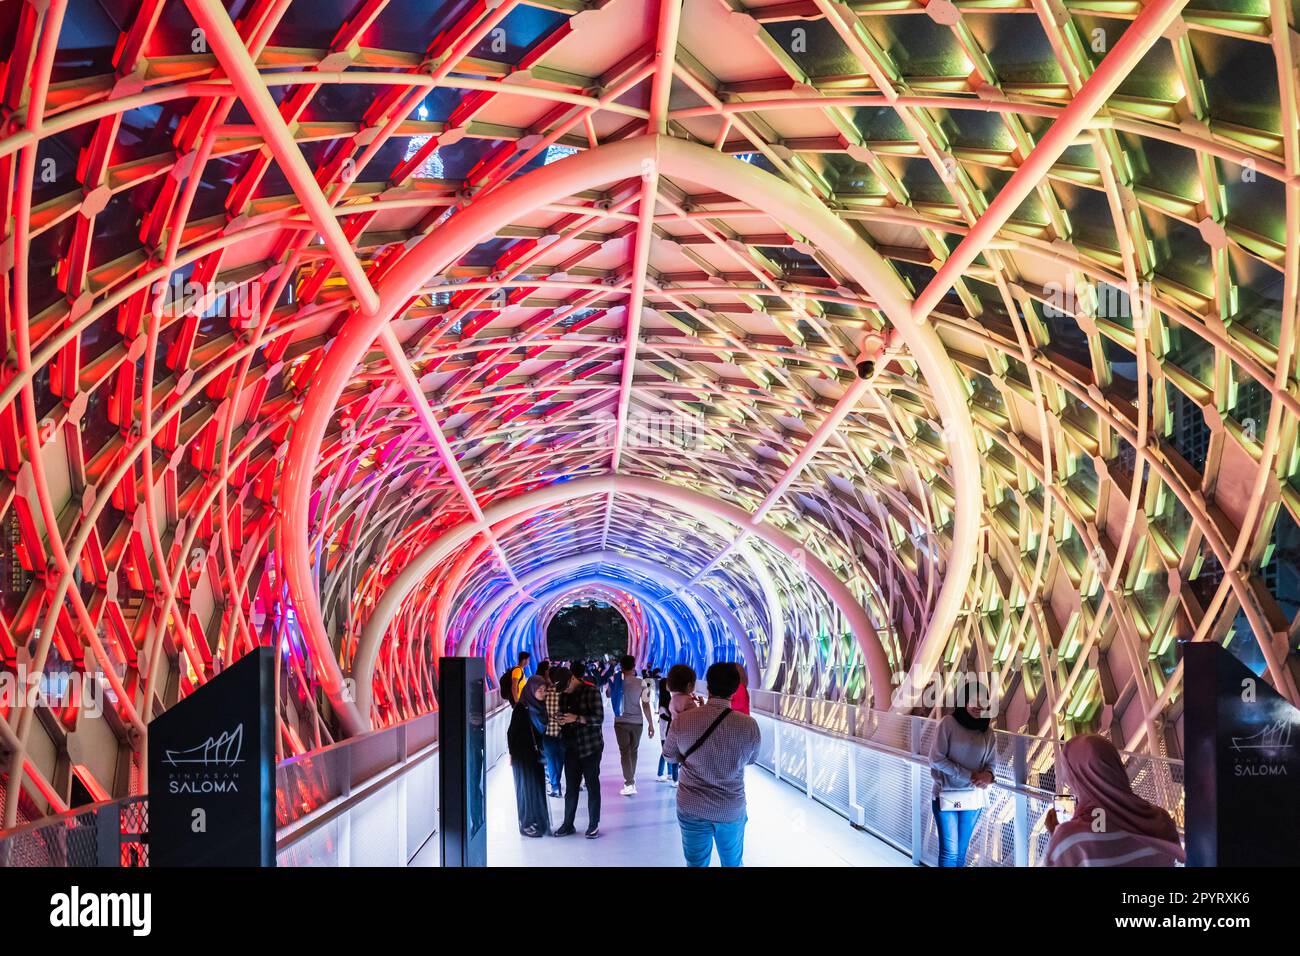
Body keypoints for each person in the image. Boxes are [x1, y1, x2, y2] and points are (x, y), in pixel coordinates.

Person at [663, 662, 761, 867]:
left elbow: (669, 756)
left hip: (692, 806)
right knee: (732, 862)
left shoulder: (683, 720)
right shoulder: (749, 725)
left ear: (708, 687)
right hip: (729, 807)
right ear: (735, 690)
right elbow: (751, 759)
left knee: (696, 863)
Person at [1044, 735, 1184, 867]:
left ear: (1076, 776)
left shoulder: (1070, 841)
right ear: (1116, 767)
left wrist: (1058, 839)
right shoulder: (1161, 820)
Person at [928, 688, 997, 867]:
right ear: (963, 701)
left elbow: (991, 765)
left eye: (983, 702)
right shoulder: (948, 723)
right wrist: (969, 775)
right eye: (973, 701)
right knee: (950, 852)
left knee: (960, 853)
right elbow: (936, 758)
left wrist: (987, 777)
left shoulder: (988, 733)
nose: (978, 706)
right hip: (946, 793)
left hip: (973, 797)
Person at [555, 661, 605, 838]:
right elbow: (562, 715)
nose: (564, 692)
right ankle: (568, 824)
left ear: (572, 679)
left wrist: (576, 718)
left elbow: (599, 719)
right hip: (571, 747)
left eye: (565, 687)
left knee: (592, 786)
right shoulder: (564, 696)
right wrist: (561, 720)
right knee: (571, 788)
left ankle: (593, 824)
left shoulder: (591, 691)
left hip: (590, 746)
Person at [507, 676, 551, 837]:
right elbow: (511, 733)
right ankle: (526, 824)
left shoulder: (541, 707)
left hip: (536, 754)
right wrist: (512, 753)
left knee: (537, 787)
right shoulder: (522, 708)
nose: (543, 693)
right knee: (526, 788)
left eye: (544, 690)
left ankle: (538, 821)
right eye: (539, 690)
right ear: (531, 690)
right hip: (523, 755)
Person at [613, 655, 655, 795]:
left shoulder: (617, 681)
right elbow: (646, 704)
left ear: (621, 666)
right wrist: (651, 724)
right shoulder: (642, 682)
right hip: (637, 722)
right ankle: (631, 780)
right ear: (634, 666)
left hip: (620, 722)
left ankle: (629, 782)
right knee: (634, 751)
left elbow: (608, 695)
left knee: (624, 752)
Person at [541, 666, 568, 797]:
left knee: (551, 759)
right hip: (564, 731)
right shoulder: (567, 693)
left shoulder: (546, 692)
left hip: (549, 731)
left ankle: (555, 787)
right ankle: (556, 783)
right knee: (560, 759)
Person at [656, 677, 679, 785]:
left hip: (667, 732)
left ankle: (669, 773)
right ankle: (660, 774)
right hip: (665, 733)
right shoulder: (664, 703)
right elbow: (667, 717)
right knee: (665, 754)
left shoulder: (666, 700)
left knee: (667, 753)